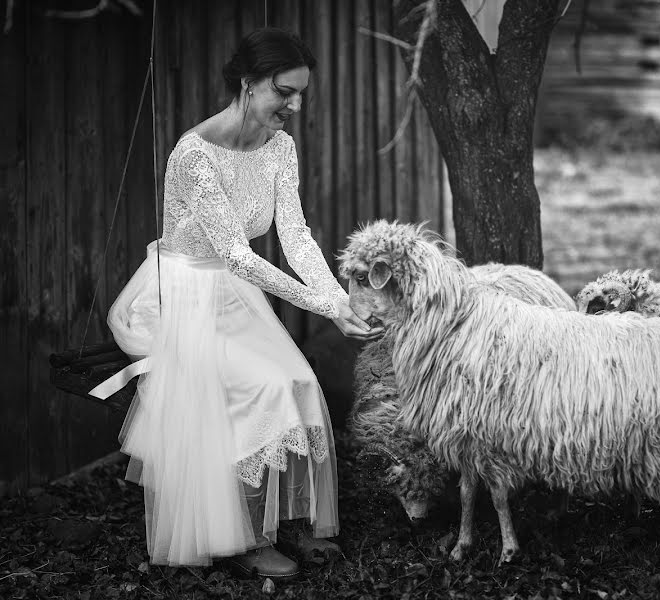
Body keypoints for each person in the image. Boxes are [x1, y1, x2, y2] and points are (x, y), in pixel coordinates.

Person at [94, 27, 382, 578]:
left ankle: (274, 520)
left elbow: (294, 234)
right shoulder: (194, 154)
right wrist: (325, 310)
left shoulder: (279, 147)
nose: (295, 105)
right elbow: (236, 254)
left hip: (233, 296)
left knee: (296, 382)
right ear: (248, 84)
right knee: (262, 390)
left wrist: (339, 298)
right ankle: (246, 539)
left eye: (301, 93)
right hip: (184, 295)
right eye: (284, 91)